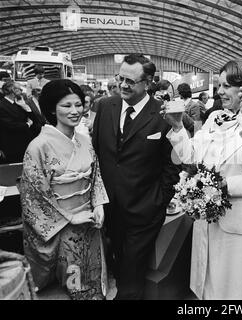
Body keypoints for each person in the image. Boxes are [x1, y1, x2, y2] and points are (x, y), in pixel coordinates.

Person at [161, 58, 242, 300]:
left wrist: (226, 186)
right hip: (204, 222)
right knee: (204, 286)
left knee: (232, 291)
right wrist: (177, 128)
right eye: (220, 85)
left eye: (226, 86)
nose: (220, 91)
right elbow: (191, 155)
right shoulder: (215, 118)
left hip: (235, 225)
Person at [92, 54, 180, 300]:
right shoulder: (106, 106)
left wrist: (159, 200)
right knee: (120, 265)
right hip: (111, 208)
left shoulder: (163, 115)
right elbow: (98, 152)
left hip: (145, 209)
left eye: (130, 81)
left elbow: (173, 164)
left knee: (132, 274)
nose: (122, 85)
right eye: (120, 78)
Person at [19, 79, 109, 300]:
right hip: (63, 226)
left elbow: (95, 175)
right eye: (66, 105)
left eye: (78, 104)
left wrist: (98, 204)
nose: (75, 111)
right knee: (74, 280)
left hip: (89, 220)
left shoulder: (84, 141)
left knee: (93, 274)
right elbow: (34, 197)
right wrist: (69, 217)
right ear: (51, 108)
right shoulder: (38, 146)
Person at [0, 81, 40, 163]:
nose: (22, 91)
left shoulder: (19, 103)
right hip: (12, 145)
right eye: (19, 89)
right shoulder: (2, 105)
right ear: (12, 90)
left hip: (26, 143)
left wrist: (26, 107)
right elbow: (10, 125)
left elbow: (35, 120)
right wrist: (28, 124)